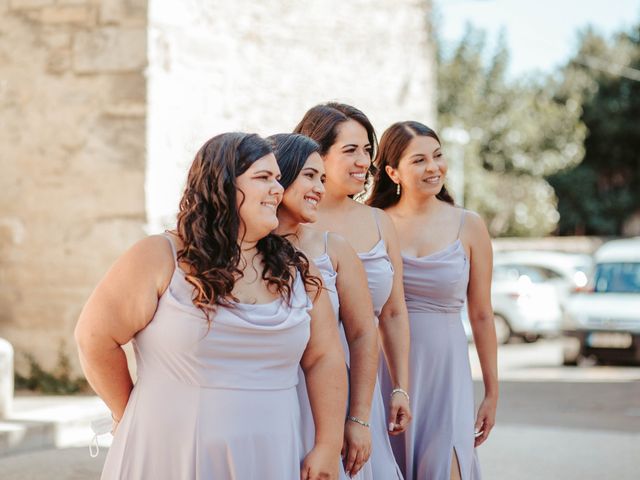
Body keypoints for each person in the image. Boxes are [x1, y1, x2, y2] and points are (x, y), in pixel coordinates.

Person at [74, 132, 348, 480]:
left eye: (278, 179)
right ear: (222, 186)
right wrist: (128, 414)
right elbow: (94, 338)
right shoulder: (161, 256)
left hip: (272, 452)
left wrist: (327, 444)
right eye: (263, 178)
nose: (277, 189)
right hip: (170, 451)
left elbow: (325, 356)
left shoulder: (296, 270)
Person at [367, 121, 498, 480]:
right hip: (384, 368)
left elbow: (483, 315)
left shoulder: (469, 225)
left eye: (438, 156)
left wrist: (491, 391)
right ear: (392, 172)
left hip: (446, 370)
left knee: (445, 466)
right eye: (420, 160)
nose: (433, 167)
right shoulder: (375, 223)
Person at [294, 103, 411, 480]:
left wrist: (400, 388)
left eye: (367, 150)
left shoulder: (379, 222)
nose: (364, 161)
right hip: (300, 383)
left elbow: (393, 313)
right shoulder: (287, 222)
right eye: (350, 150)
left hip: (364, 385)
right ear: (316, 154)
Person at [268, 133, 379, 479]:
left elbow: (363, 334)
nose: (319, 187)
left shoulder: (334, 249)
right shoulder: (242, 251)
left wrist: (358, 418)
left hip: (327, 404)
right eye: (309, 176)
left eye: (322, 178)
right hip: (267, 400)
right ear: (280, 176)